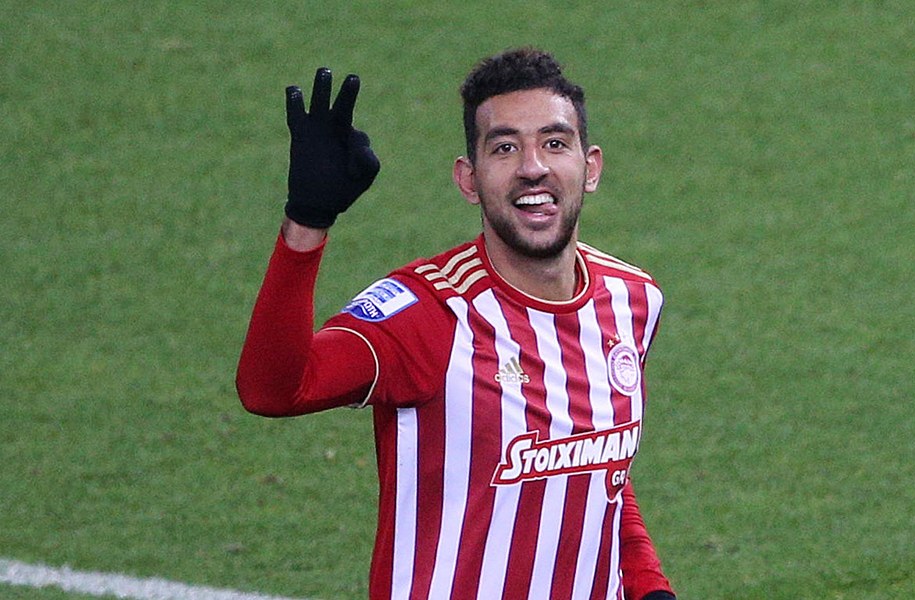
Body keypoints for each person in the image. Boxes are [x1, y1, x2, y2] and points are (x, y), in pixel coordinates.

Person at [237, 47, 675, 600]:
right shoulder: (428, 312)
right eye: (505, 147)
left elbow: (600, 474)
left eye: (554, 143)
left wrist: (650, 588)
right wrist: (307, 222)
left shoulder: (632, 299)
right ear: (469, 179)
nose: (533, 167)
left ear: (590, 168)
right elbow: (273, 389)